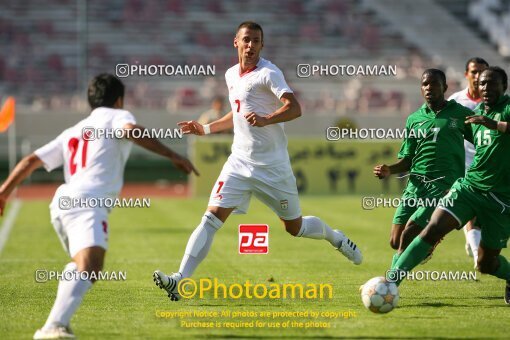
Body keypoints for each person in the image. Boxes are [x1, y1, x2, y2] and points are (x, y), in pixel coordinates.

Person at [153, 21, 362, 301]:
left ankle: (335, 238)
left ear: (262, 45)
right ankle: (180, 280)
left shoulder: (269, 73)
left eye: (257, 41)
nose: (251, 45)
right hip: (239, 162)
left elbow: (295, 108)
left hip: (273, 168)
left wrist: (267, 119)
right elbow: (236, 112)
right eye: (247, 40)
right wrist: (205, 129)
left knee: (295, 228)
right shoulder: (230, 75)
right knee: (211, 218)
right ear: (236, 42)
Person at [0, 73, 198, 339]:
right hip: (88, 202)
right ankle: (53, 327)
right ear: (119, 100)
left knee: (81, 265)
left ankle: (57, 323)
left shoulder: (74, 130)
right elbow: (131, 131)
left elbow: (30, 160)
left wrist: (3, 192)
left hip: (62, 204)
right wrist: (173, 154)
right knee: (91, 266)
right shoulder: (117, 116)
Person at [389, 67, 510, 304]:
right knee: (431, 228)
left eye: (492, 83)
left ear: (504, 86)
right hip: (469, 187)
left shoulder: (506, 109)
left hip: (500, 198)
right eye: (482, 84)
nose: (485, 88)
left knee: (485, 264)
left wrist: (495, 125)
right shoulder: (474, 114)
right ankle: (390, 281)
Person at [373, 69, 473, 269]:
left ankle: (390, 281)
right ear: (421, 89)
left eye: (435, 84)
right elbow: (407, 160)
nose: (430, 88)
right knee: (396, 240)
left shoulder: (461, 114)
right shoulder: (414, 118)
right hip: (416, 185)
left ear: (444, 87)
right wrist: (389, 170)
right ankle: (431, 239)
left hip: (443, 185)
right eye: (425, 84)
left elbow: (482, 142)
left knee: (409, 232)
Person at [448, 57, 489, 266]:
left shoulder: (497, 102)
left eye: (482, 72)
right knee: (471, 212)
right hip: (464, 165)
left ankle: (474, 242)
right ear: (466, 74)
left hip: (491, 164)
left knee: (485, 217)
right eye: (474, 72)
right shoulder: (455, 101)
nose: (477, 76)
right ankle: (476, 252)